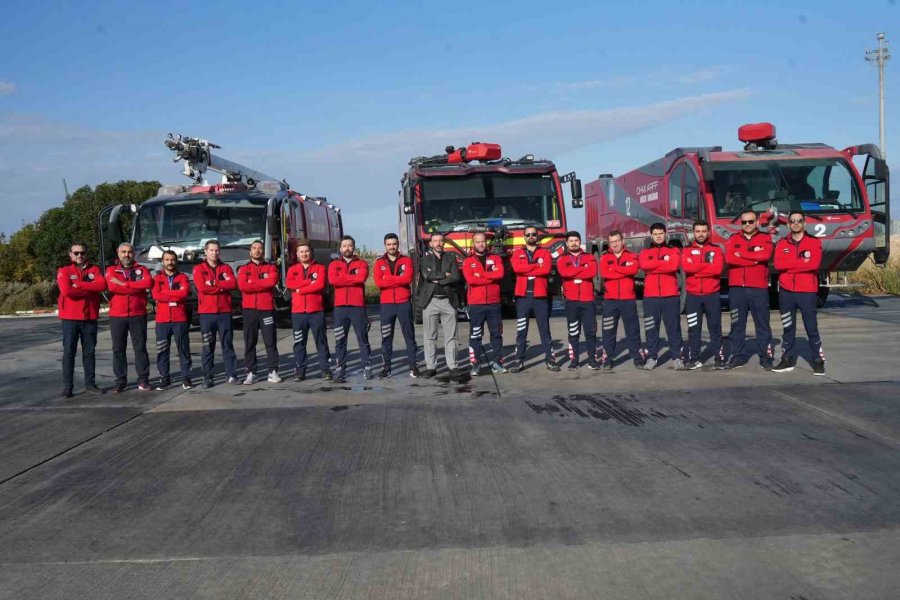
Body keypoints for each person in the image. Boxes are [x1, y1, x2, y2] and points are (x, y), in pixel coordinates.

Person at [772, 211, 826, 375]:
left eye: (799, 221)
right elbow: (778, 264)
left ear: (804, 224)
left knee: (811, 328)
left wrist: (791, 265)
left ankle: (818, 360)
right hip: (787, 292)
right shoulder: (782, 243)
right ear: (788, 224)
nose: (796, 223)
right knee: (788, 328)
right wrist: (801, 263)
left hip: (807, 292)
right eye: (793, 221)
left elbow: (814, 264)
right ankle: (787, 359)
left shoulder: (814, 242)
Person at [725, 210, 774, 370]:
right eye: (744, 222)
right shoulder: (733, 239)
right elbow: (730, 258)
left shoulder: (765, 238)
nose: (747, 225)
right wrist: (753, 258)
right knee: (737, 324)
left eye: (750, 221)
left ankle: (765, 356)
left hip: (758, 288)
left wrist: (742, 256)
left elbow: (765, 255)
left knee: (762, 323)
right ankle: (737, 356)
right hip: (737, 289)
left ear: (757, 222)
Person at [56, 242, 106, 398]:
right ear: (70, 254)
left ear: (87, 254)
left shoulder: (95, 269)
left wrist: (78, 285)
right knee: (69, 353)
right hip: (70, 319)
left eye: (82, 253)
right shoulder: (64, 271)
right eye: (76, 253)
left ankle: (90, 384)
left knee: (89, 353)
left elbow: (101, 285)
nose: (79, 256)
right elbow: (67, 291)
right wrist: (89, 288)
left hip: (89, 317)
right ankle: (67, 387)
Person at [509, 226, 558, 372]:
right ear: (524, 237)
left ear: (537, 236)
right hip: (523, 297)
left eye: (533, 234)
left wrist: (528, 268)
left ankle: (550, 360)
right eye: (528, 234)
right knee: (521, 330)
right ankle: (519, 361)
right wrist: (537, 265)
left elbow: (546, 269)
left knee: (544, 329)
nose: (531, 236)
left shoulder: (545, 252)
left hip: (540, 297)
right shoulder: (518, 253)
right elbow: (517, 269)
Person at [415, 232, 463, 381]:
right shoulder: (425, 259)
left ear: (444, 243)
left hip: (448, 301)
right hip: (430, 301)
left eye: (441, 241)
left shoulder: (451, 258)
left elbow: (455, 276)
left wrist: (439, 280)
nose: (438, 243)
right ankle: (431, 367)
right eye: (435, 241)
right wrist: (445, 275)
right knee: (430, 336)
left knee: (451, 336)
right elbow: (427, 275)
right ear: (430, 244)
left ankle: (453, 366)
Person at [105, 242, 153, 392]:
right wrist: (134, 286)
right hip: (117, 316)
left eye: (130, 252)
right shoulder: (111, 270)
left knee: (140, 349)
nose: (127, 255)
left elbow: (148, 282)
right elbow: (113, 287)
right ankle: (120, 380)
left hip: (137, 314)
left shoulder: (142, 269)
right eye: (124, 252)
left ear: (134, 254)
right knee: (118, 349)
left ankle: (143, 380)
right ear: (118, 253)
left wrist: (124, 284)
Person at [192, 239, 238, 387]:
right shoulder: (199, 269)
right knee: (208, 346)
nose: (214, 253)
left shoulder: (226, 268)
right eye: (211, 250)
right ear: (205, 252)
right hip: (207, 314)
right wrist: (221, 286)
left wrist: (214, 283)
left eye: (217, 250)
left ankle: (231, 374)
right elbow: (202, 288)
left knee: (227, 344)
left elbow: (232, 284)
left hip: (224, 312)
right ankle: (208, 377)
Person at [638, 223, 684, 370]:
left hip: (670, 296)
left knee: (673, 328)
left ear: (665, 234)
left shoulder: (674, 250)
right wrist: (663, 262)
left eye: (661, 233)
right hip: (651, 297)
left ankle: (677, 357)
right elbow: (644, 265)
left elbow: (673, 266)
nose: (658, 236)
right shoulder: (645, 252)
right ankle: (652, 357)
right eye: (655, 233)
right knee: (651, 328)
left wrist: (654, 266)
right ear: (651, 235)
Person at [374, 233, 419, 379]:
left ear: (398, 244)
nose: (392, 247)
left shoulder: (406, 260)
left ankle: (413, 367)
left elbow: (407, 279)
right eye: (389, 244)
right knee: (386, 337)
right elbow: (379, 283)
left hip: (403, 303)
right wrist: (396, 279)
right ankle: (386, 368)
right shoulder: (379, 262)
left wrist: (388, 278)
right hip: (387, 306)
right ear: (385, 245)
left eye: (394, 244)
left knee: (409, 336)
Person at [681, 221, 725, 370]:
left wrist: (696, 267)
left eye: (703, 231)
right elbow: (687, 267)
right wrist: (707, 266)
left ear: (708, 233)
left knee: (715, 328)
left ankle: (719, 358)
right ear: (694, 232)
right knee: (693, 328)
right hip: (693, 296)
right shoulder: (686, 250)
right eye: (698, 231)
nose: (700, 234)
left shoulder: (716, 249)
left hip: (712, 295)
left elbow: (717, 269)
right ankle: (695, 359)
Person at [462, 232, 507, 377]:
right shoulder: (468, 261)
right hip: (476, 304)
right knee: (475, 336)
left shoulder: (495, 258)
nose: (481, 244)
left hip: (494, 303)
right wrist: (490, 276)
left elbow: (500, 275)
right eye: (478, 242)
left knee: (496, 334)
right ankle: (475, 364)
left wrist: (481, 275)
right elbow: (471, 281)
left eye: (483, 242)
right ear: (473, 244)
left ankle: (497, 363)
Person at [285, 239, 332, 381]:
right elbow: (289, 284)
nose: (304, 254)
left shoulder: (320, 268)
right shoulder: (292, 269)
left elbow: (319, 286)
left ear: (311, 252)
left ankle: (325, 370)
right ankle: (300, 371)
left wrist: (299, 289)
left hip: (316, 311)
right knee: (299, 343)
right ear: (297, 254)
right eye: (301, 252)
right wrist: (307, 283)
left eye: (306, 251)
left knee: (321, 342)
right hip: (298, 313)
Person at [598, 231, 645, 370]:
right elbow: (605, 273)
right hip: (610, 301)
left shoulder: (631, 255)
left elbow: (634, 269)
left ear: (622, 240)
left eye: (617, 241)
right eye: (612, 242)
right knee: (608, 332)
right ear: (609, 243)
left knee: (633, 330)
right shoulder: (605, 257)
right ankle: (608, 359)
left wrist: (615, 269)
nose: (615, 244)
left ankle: (637, 357)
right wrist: (623, 270)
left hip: (628, 300)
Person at [328, 235, 372, 381]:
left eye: (350, 245)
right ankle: (340, 369)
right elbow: (333, 280)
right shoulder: (334, 265)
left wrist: (343, 278)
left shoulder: (362, 263)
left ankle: (367, 367)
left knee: (362, 339)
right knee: (340, 340)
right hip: (340, 308)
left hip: (357, 307)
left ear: (354, 247)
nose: (347, 248)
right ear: (340, 248)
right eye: (344, 246)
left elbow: (361, 278)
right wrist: (351, 278)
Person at [237, 240, 281, 384]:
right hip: (249, 310)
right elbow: (243, 286)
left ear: (263, 251)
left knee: (270, 340)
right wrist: (261, 282)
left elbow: (271, 282)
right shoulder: (243, 269)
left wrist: (252, 282)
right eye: (254, 248)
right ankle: (251, 372)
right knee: (250, 341)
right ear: (250, 252)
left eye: (260, 248)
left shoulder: (271, 267)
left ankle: (273, 371)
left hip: (266, 309)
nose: (257, 251)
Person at [556, 231, 599, 370]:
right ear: (567, 243)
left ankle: (592, 360)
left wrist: (573, 270)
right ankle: (574, 361)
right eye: (571, 241)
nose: (574, 243)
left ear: (580, 242)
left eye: (576, 240)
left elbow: (592, 272)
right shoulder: (562, 259)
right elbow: (564, 273)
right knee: (573, 332)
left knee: (590, 332)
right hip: (571, 301)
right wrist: (582, 268)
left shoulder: (590, 257)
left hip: (588, 300)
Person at [151, 250, 192, 389]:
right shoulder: (157, 279)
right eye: (167, 260)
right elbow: (156, 295)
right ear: (162, 262)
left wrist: (166, 294)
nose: (170, 262)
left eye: (173, 259)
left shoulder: (183, 277)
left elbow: (184, 293)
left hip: (179, 319)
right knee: (162, 350)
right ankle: (164, 378)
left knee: (183, 349)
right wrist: (174, 295)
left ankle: (186, 378)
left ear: (176, 261)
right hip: (162, 320)